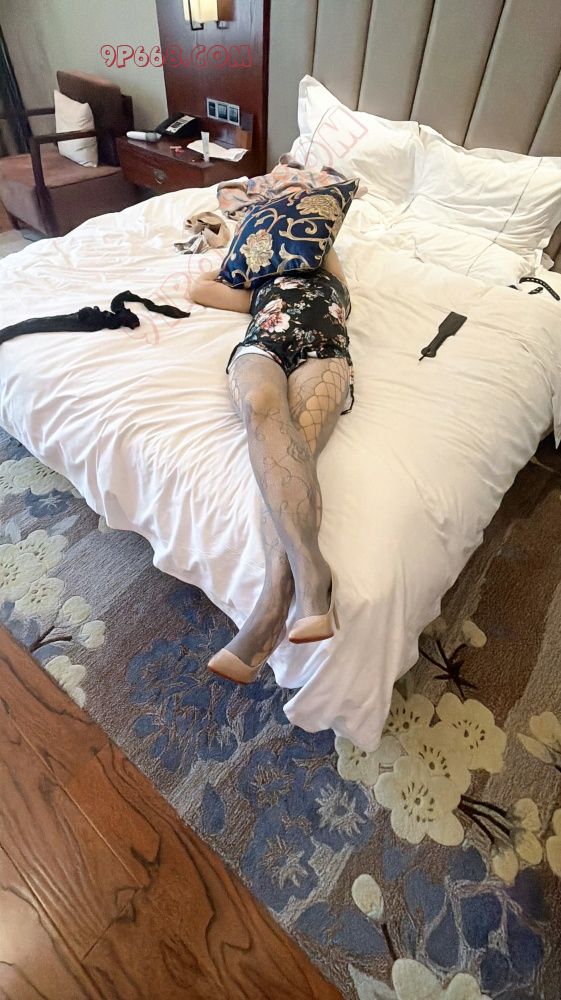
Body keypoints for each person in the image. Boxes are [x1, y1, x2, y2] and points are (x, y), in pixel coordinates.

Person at [190, 246, 354, 683]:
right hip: (260, 346)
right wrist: (240, 252)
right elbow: (200, 289)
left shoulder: (331, 278)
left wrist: (294, 226)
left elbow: (322, 241)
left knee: (294, 448)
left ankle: (273, 605)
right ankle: (311, 575)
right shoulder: (256, 290)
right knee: (260, 408)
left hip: (325, 348)